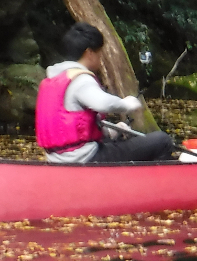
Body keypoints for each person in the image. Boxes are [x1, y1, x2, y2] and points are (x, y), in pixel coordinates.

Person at [36, 22, 175, 163]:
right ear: (89, 53)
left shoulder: (53, 77)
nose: (100, 58)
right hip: (85, 159)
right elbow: (103, 104)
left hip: (58, 159)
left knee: (118, 140)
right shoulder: (81, 79)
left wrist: (111, 132)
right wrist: (126, 104)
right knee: (162, 141)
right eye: (99, 53)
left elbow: (73, 127)